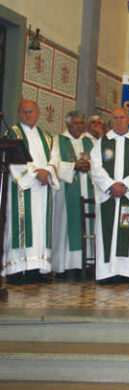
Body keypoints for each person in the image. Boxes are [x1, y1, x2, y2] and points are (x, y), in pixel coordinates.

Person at [3, 100, 60, 283]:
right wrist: (36, 174)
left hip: (42, 191)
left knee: (39, 228)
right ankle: (16, 271)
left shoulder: (48, 137)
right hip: (22, 188)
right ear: (19, 114)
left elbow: (55, 158)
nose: (27, 115)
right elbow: (12, 160)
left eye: (30, 112)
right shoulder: (12, 133)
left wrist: (48, 171)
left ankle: (36, 270)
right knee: (20, 228)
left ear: (37, 113)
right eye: (23, 112)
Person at [90, 107, 129, 283]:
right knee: (106, 232)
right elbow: (96, 166)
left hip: (128, 195)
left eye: (122, 117)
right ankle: (106, 272)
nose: (118, 121)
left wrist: (124, 186)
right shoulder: (103, 142)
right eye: (114, 118)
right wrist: (110, 185)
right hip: (108, 196)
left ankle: (127, 272)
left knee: (128, 235)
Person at [51, 110, 95, 275]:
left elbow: (100, 165)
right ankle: (64, 265)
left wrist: (89, 166)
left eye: (81, 123)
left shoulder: (91, 142)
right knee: (65, 225)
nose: (79, 126)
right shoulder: (57, 141)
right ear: (68, 124)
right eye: (75, 123)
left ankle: (86, 263)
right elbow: (53, 164)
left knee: (87, 227)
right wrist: (73, 166)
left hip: (87, 190)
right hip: (66, 190)